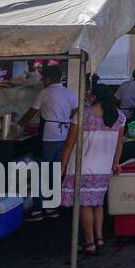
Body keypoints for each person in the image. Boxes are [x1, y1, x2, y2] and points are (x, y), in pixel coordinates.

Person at [60, 84, 126, 255]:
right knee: (97, 203)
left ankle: (89, 243)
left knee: (84, 205)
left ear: (94, 96)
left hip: (83, 167)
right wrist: (116, 162)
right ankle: (99, 237)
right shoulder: (119, 117)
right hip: (104, 167)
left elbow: (69, 143)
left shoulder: (83, 115)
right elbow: (119, 144)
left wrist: (62, 165)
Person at [19, 63, 79, 221]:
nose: (42, 81)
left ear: (49, 78)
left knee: (41, 171)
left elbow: (31, 112)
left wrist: (17, 125)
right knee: (56, 171)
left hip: (48, 136)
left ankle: (38, 208)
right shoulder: (70, 93)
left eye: (43, 78)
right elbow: (75, 112)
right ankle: (52, 206)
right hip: (65, 134)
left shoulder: (45, 92)